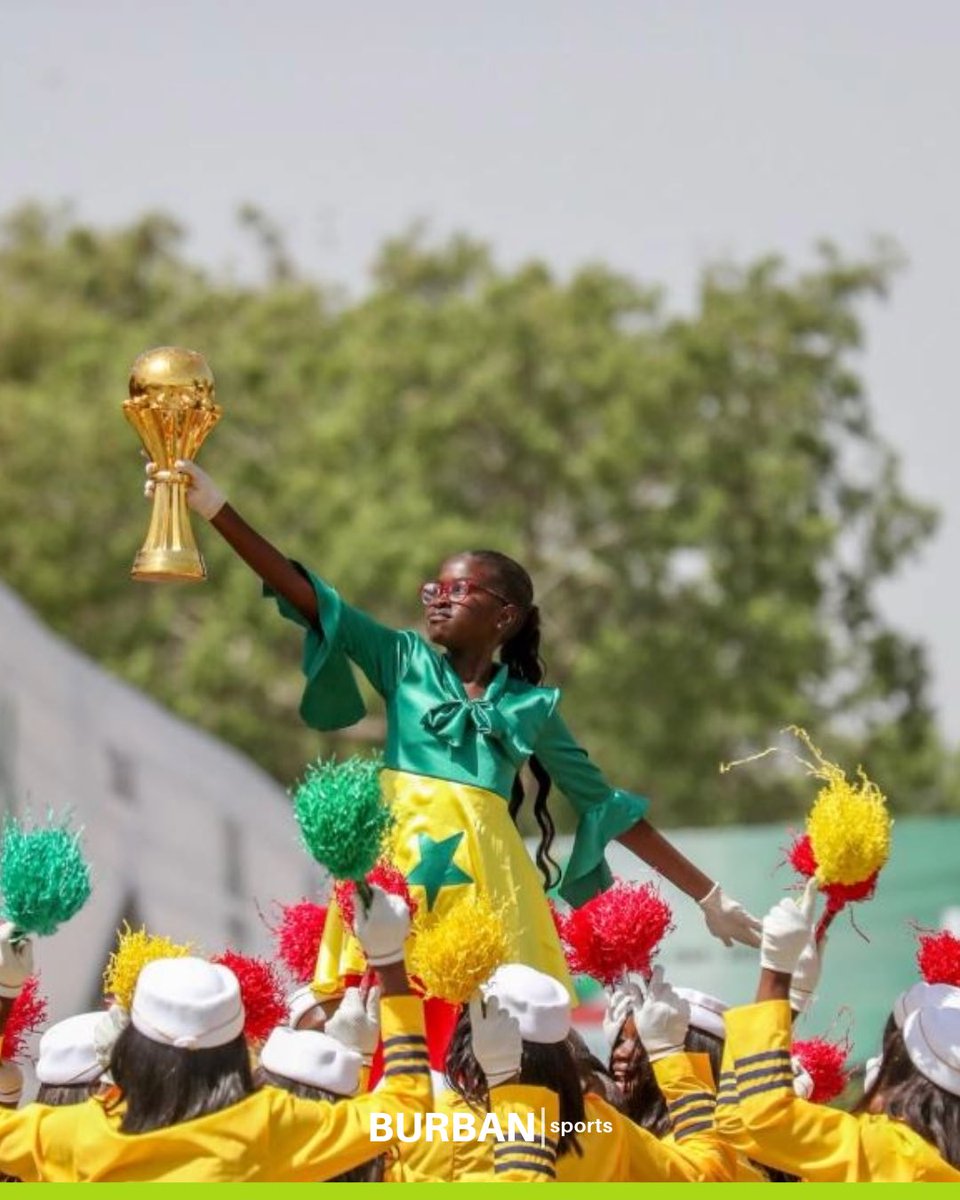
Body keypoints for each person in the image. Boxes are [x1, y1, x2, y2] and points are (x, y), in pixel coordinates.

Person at [147, 461, 759, 1015]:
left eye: (460, 589)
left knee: (493, 1026)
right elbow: (309, 597)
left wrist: (709, 895)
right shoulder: (402, 661)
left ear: (506, 617)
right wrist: (215, 508)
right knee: (375, 1017)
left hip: (491, 890)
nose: (439, 599)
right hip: (395, 873)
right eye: (434, 589)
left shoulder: (532, 706)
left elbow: (606, 807)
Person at [0, 890, 436, 1182]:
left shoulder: (77, 1133)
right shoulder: (267, 1126)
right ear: (234, 1051)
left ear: (131, 1048)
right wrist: (388, 959)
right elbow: (406, 1107)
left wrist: (4, 994)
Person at [723, 882, 960, 1182]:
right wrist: (791, 997)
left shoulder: (898, 1157)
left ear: (906, 1079)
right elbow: (740, 1125)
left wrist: (777, 974)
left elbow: (760, 1121)